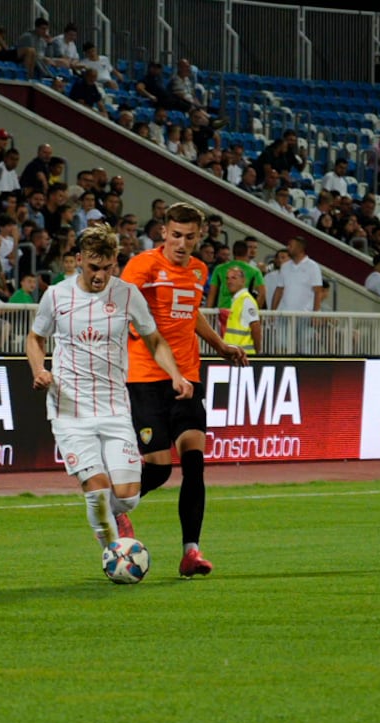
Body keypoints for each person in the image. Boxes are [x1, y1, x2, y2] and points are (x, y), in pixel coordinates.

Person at [26, 223, 192, 556]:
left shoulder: (127, 294)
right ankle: (114, 555)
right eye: (93, 268)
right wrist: (39, 369)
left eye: (107, 267)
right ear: (78, 260)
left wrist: (175, 373)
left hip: (115, 408)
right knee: (97, 492)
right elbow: (35, 338)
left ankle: (117, 518)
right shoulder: (56, 295)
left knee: (128, 496)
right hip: (70, 411)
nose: (100, 275)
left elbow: (153, 338)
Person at [120, 202, 247, 578]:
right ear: (163, 233)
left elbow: (191, 316)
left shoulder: (198, 270)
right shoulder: (142, 267)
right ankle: (114, 504)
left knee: (194, 463)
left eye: (190, 237)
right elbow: (123, 310)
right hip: (146, 376)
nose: (182, 243)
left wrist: (221, 345)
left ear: (199, 237)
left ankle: (191, 551)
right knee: (159, 470)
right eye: (176, 235)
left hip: (188, 376)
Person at [223, 265, 261, 356]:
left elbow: (255, 326)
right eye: (228, 278)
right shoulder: (238, 300)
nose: (229, 281)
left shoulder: (246, 300)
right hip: (236, 355)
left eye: (234, 278)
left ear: (243, 281)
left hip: (243, 356)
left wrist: (258, 353)